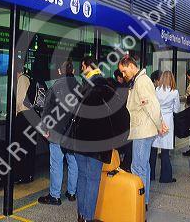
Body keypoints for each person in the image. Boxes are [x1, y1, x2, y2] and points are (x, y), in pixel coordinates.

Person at [67, 56, 129, 222]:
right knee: (93, 180)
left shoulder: (82, 88)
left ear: (87, 66)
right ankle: (88, 217)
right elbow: (122, 116)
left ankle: (81, 216)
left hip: (80, 141)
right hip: (98, 143)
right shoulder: (107, 87)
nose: (81, 69)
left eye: (82, 66)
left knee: (82, 177)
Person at [118, 56, 167, 209]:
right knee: (143, 166)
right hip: (144, 129)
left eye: (124, 71)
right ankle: (143, 200)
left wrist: (160, 125)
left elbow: (151, 106)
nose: (123, 75)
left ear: (132, 66)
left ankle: (138, 202)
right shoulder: (139, 81)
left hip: (143, 131)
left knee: (138, 167)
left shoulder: (142, 81)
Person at [38, 60, 79, 206]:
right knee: (73, 162)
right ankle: (72, 193)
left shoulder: (56, 86)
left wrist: (44, 128)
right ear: (73, 71)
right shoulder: (79, 87)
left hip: (56, 131)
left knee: (56, 163)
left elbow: (47, 108)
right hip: (72, 132)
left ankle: (55, 196)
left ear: (60, 72)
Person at [150, 71, 180, 183]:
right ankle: (165, 177)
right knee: (165, 151)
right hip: (167, 121)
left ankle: (151, 175)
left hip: (157, 120)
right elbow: (176, 109)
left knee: (153, 149)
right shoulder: (174, 92)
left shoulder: (156, 90)